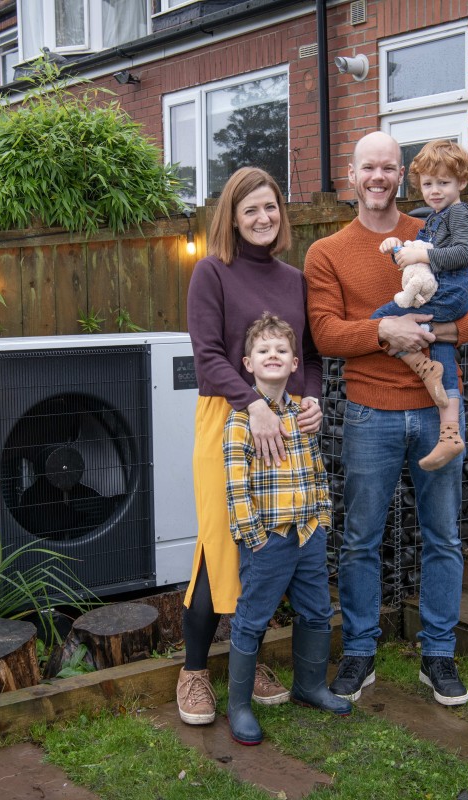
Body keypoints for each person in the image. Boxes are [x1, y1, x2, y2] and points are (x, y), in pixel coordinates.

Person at [303, 132, 468, 707]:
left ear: (402, 176)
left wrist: (433, 332)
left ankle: (438, 655)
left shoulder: (435, 230)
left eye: (389, 167)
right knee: (361, 539)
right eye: (369, 167)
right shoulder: (328, 253)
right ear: (352, 172)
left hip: (438, 411)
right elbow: (325, 334)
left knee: (443, 538)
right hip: (369, 414)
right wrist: (384, 330)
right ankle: (360, 650)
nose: (378, 177)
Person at [177, 167, 324, 726]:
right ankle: (193, 671)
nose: (263, 218)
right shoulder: (212, 272)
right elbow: (208, 356)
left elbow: (302, 357)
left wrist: (307, 400)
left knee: (272, 542)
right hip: (228, 420)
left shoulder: (293, 279)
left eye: (271, 208)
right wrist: (254, 405)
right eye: (251, 210)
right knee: (223, 540)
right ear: (232, 219)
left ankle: (249, 661)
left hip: (283, 423)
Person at [223, 313, 351, 745]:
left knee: (317, 610)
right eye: (264, 351)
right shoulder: (241, 421)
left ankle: (309, 686)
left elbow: (317, 472)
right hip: (269, 541)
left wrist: (322, 519)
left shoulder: (302, 416)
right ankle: (238, 705)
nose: (273, 356)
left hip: (308, 533)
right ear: (248, 363)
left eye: (281, 350)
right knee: (252, 619)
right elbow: (236, 488)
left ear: (295, 364)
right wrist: (254, 539)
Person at [372, 140, 468, 471]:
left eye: (443, 183)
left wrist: (421, 254)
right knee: (442, 350)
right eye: (428, 183)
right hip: (444, 296)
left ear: (461, 182)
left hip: (447, 296)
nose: (434, 191)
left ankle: (420, 366)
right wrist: (399, 247)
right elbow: (420, 256)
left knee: (379, 320)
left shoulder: (459, 213)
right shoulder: (436, 217)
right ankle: (450, 434)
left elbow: (462, 253)